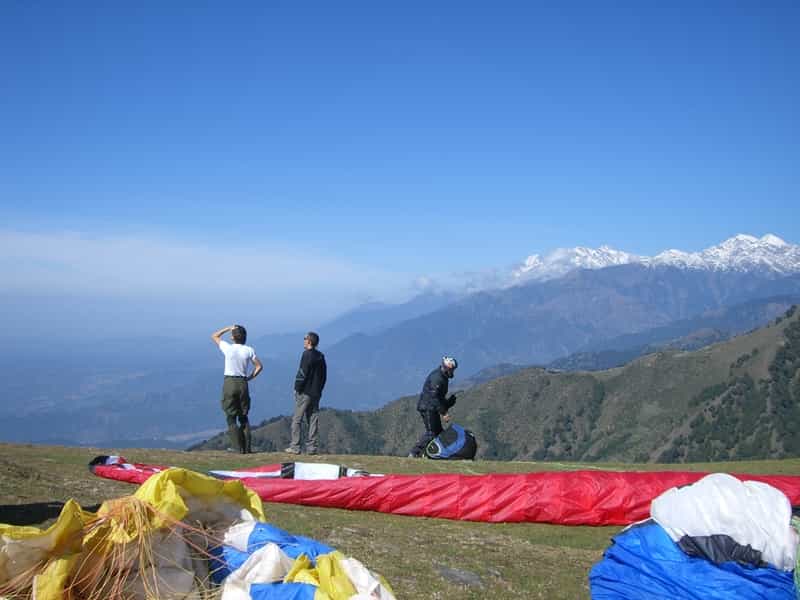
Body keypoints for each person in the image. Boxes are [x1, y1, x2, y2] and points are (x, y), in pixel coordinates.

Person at [211, 324, 262, 454]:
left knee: (230, 416)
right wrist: (249, 378)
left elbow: (214, 336)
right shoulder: (249, 350)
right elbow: (259, 366)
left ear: (233, 337)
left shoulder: (228, 348)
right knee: (243, 416)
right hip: (243, 383)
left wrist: (228, 328)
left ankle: (237, 448)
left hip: (230, 382)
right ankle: (247, 448)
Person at [408, 356, 458, 458]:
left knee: (439, 433)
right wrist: (444, 413)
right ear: (446, 368)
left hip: (432, 407)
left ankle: (433, 454)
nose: (452, 372)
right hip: (427, 407)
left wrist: (448, 403)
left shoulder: (444, 377)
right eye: (451, 369)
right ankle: (414, 453)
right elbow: (434, 398)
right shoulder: (438, 378)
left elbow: (439, 398)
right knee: (432, 433)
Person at [286, 331, 327, 455]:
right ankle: (311, 447)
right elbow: (324, 376)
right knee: (313, 419)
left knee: (297, 419)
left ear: (309, 341)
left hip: (305, 392)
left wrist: (296, 388)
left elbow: (302, 373)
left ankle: (295, 446)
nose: (303, 340)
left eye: (305, 338)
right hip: (316, 392)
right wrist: (320, 389)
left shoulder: (306, 355)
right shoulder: (320, 356)